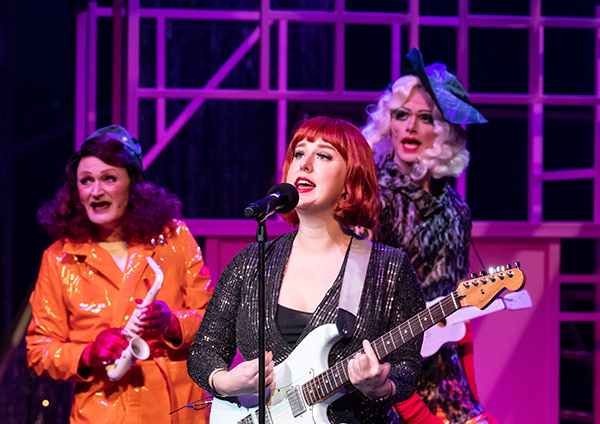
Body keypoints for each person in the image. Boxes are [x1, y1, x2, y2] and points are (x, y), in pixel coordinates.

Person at [187, 116, 426, 423]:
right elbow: (204, 350)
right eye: (299, 153)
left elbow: (408, 367)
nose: (305, 164)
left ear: (350, 182)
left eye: (323, 155)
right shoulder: (251, 263)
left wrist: (381, 387)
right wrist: (226, 382)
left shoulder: (387, 268)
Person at [26, 126, 214, 424]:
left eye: (108, 178)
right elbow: (39, 350)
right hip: (101, 414)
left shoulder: (174, 238)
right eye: (86, 181)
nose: (96, 191)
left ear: (133, 182)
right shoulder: (59, 258)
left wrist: (173, 324)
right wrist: (88, 354)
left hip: (176, 411)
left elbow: (215, 322)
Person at [361, 48, 490, 424]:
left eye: (425, 117)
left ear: (444, 130)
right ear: (389, 122)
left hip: (446, 383)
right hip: (384, 379)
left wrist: (473, 393)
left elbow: (460, 312)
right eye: (401, 115)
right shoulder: (371, 196)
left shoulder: (457, 210)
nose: (410, 127)